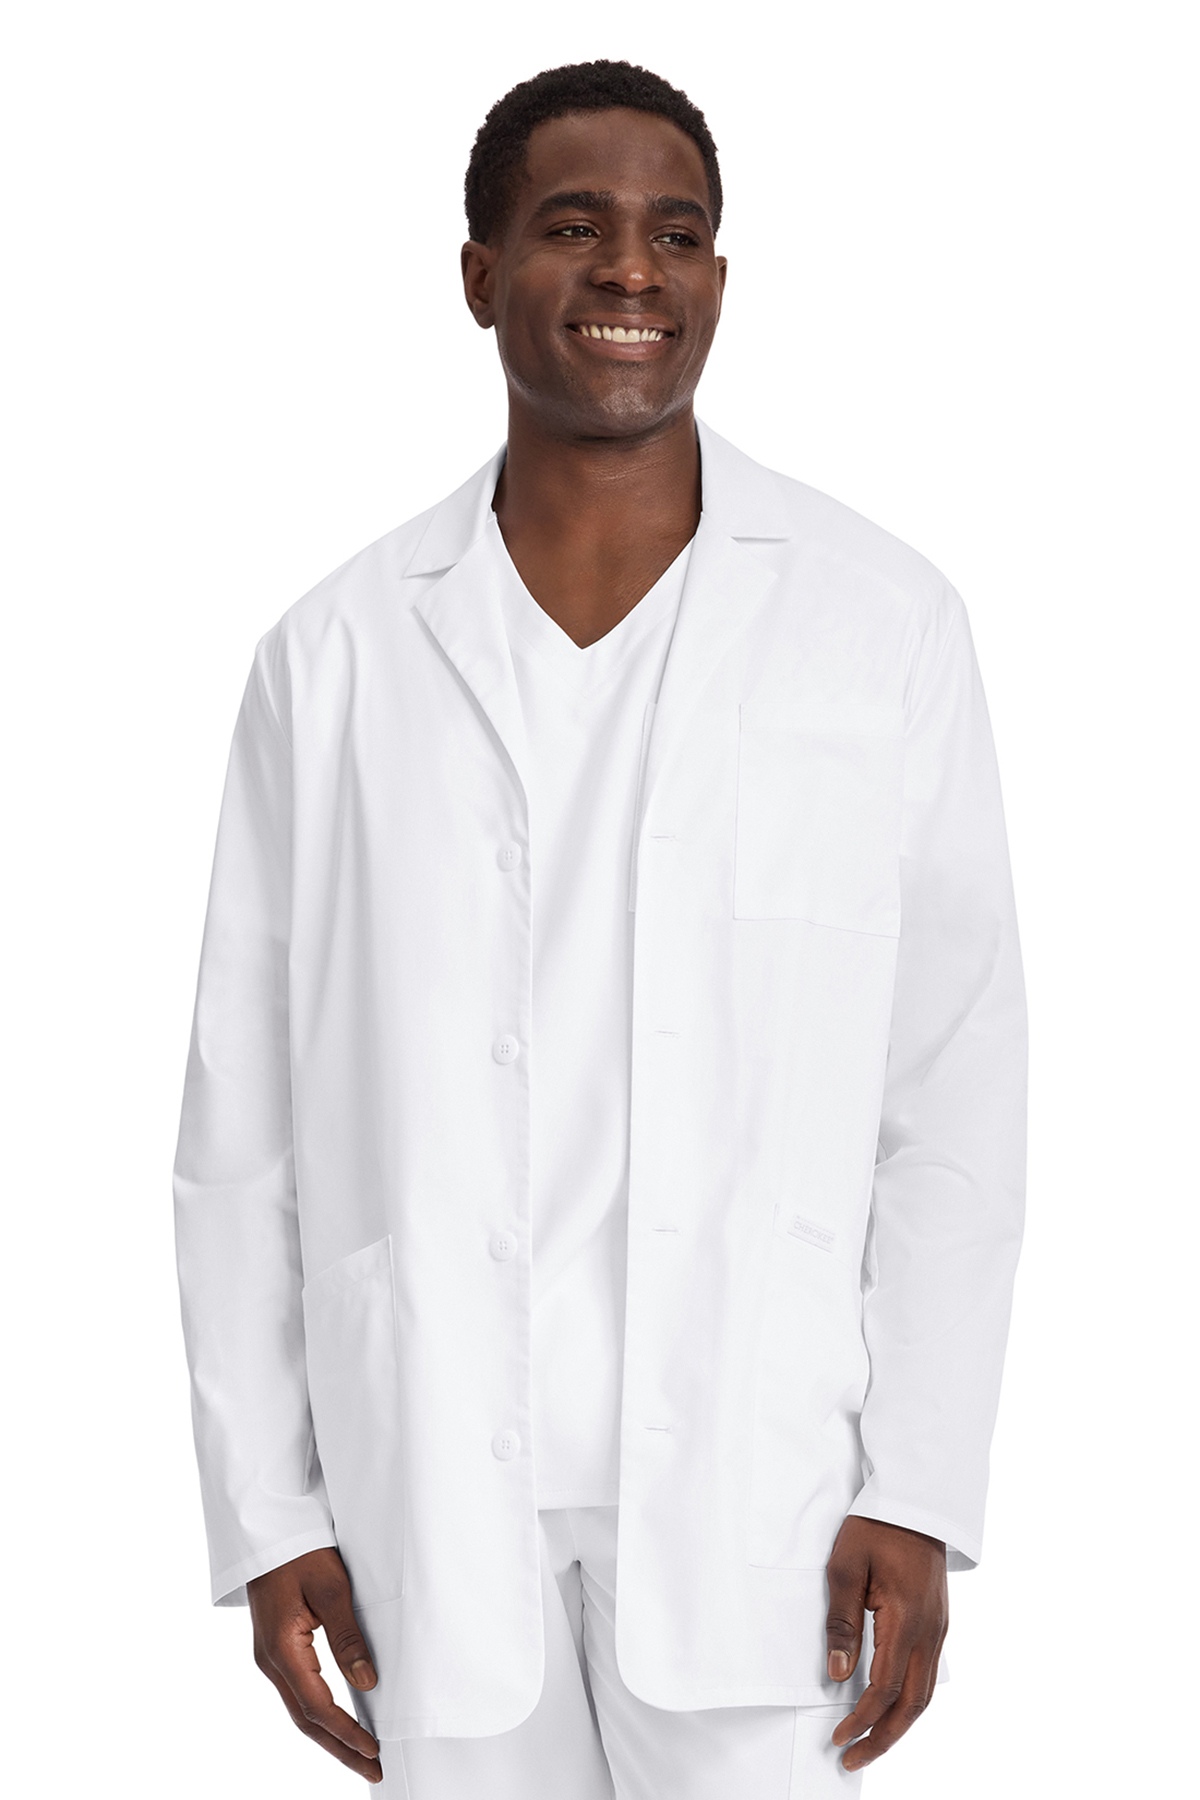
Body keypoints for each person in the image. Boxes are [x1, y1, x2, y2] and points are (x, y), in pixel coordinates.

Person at [172, 58, 1027, 1800]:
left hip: (766, 1491)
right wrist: (268, 1512)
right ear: (479, 274)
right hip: (428, 1488)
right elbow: (239, 1128)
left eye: (678, 233)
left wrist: (921, 1482)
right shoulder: (333, 657)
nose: (634, 269)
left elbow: (953, 1086)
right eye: (576, 226)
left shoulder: (879, 626)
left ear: (717, 276)